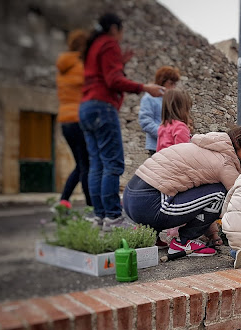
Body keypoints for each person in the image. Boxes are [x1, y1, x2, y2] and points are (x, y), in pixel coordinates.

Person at [79, 13, 165, 231]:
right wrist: (144, 87)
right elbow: (112, 80)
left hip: (87, 107)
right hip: (102, 106)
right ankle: (113, 217)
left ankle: (99, 216)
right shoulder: (109, 43)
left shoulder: (95, 45)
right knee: (113, 163)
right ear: (115, 29)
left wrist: (120, 62)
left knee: (96, 164)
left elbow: (104, 73)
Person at [122, 126, 241, 257]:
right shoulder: (225, 162)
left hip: (132, 199)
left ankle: (152, 235)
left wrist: (212, 234)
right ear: (237, 145)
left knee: (211, 192)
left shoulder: (207, 149)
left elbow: (199, 199)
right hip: (149, 205)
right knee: (222, 194)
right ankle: (182, 243)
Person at [55, 29, 91, 209]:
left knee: (80, 164)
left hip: (65, 120)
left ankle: (63, 200)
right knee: (86, 165)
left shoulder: (64, 66)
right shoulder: (80, 65)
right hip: (79, 118)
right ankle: (92, 207)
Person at [139, 66, 181, 156]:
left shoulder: (171, 99)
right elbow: (145, 122)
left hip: (172, 147)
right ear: (162, 81)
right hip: (156, 146)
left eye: (175, 84)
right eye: (171, 83)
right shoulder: (149, 98)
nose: (173, 87)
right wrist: (165, 135)